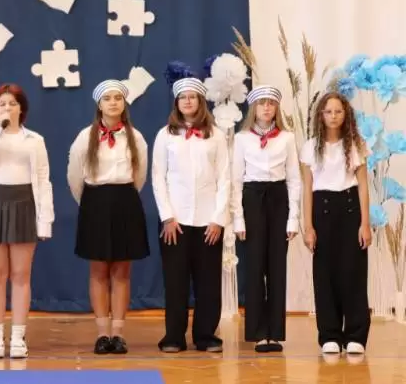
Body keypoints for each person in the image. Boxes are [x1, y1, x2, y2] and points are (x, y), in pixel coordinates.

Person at [0, 83, 54, 359]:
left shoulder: (35, 140)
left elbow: (43, 179)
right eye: (2, 104)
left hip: (24, 206)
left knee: (21, 274)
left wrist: (45, 220)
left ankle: (18, 336)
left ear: (21, 108)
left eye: (12, 103)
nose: (7, 108)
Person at [67, 79, 150, 355]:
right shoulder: (85, 137)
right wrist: (91, 202)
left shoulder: (135, 137)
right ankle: (102, 333)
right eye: (107, 98)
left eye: (118, 98)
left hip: (125, 201)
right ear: (99, 105)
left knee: (122, 271)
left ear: (124, 103)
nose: (113, 103)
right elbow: (74, 176)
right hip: (95, 203)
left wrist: (123, 197)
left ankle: (118, 333)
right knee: (99, 270)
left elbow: (140, 176)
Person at [151, 75, 229, 353]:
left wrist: (218, 219)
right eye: (183, 97)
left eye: (192, 97)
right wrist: (167, 217)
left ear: (200, 101)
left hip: (208, 221)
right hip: (176, 221)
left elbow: (224, 178)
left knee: (208, 282)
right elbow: (158, 178)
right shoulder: (165, 135)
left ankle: (206, 335)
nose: (187, 101)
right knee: (176, 282)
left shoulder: (216, 135)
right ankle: (174, 336)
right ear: (176, 102)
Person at [231, 85, 301, 352]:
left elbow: (294, 179)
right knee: (254, 267)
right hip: (252, 199)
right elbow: (236, 180)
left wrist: (293, 218)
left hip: (278, 199)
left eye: (271, 103)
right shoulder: (241, 139)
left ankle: (275, 332)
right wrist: (238, 219)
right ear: (254, 108)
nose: (267, 108)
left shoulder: (287, 138)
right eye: (262, 103)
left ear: (277, 108)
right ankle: (258, 332)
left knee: (276, 268)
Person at [301, 92, 371, 356]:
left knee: (353, 273)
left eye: (338, 111)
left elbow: (363, 186)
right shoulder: (310, 147)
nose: (333, 116)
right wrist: (308, 226)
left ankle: (355, 335)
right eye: (328, 111)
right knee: (325, 274)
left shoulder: (356, 145)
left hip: (351, 209)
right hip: (322, 210)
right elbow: (307, 189)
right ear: (321, 115)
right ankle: (329, 334)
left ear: (346, 114)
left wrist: (365, 223)